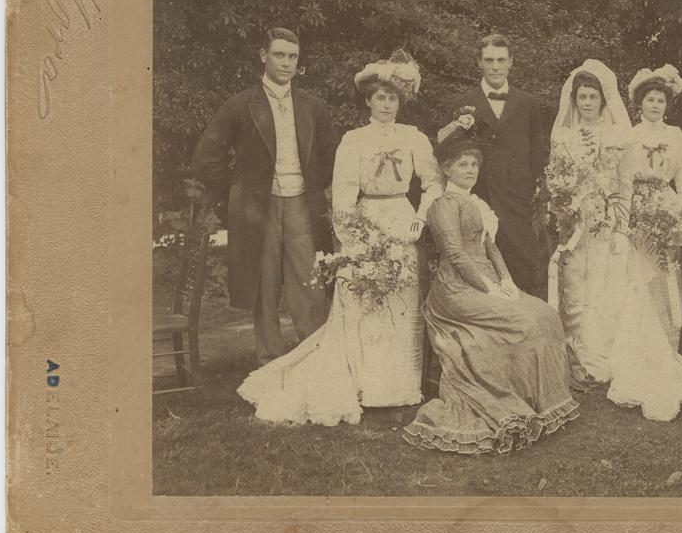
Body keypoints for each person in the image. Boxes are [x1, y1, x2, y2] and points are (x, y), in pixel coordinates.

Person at [236, 53, 441, 424]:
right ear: (368, 101)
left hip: (401, 219)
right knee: (364, 304)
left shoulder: (413, 138)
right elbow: (344, 196)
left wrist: (421, 219)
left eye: (393, 98)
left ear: (401, 102)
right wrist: (354, 241)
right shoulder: (353, 140)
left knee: (402, 301)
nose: (386, 105)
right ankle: (365, 384)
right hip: (366, 220)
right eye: (380, 98)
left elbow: (434, 182)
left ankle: (401, 386)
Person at [402, 124, 579, 454]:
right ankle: (506, 399)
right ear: (446, 169)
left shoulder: (478, 204)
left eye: (473, 165)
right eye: (462, 165)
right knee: (521, 322)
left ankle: (537, 400)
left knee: (544, 314)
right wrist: (488, 289)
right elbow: (454, 254)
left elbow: (491, 248)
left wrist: (507, 282)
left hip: (487, 282)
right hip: (454, 290)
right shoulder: (441, 204)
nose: (469, 171)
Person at [191, 28, 338, 366]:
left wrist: (317, 188)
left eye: (292, 57)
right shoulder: (241, 104)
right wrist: (240, 189)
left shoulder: (312, 106)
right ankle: (270, 360)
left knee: (311, 281)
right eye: (279, 55)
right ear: (263, 56)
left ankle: (314, 359)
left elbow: (332, 155)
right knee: (265, 284)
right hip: (259, 209)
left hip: (302, 204)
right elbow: (205, 160)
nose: (286, 63)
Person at [606, 65, 682, 421]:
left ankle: (670, 346)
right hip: (638, 215)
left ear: (666, 104)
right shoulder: (629, 135)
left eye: (660, 100)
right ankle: (642, 349)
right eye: (649, 100)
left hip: (667, 210)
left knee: (670, 280)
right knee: (642, 282)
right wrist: (623, 223)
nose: (655, 105)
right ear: (639, 104)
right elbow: (624, 182)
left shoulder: (675, 135)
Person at [445, 33, 549, 299]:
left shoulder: (528, 104)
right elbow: (453, 153)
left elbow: (537, 154)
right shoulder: (461, 104)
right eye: (489, 60)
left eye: (501, 60)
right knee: (482, 273)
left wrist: (533, 196)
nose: (495, 66)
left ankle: (534, 331)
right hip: (479, 200)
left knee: (527, 268)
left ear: (511, 62)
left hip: (519, 203)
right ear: (479, 62)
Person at [548, 60, 631, 382]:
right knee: (573, 288)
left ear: (603, 100)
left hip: (605, 223)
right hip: (573, 226)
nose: (586, 103)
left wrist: (622, 226)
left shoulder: (617, 136)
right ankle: (573, 357)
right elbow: (554, 179)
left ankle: (599, 358)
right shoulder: (563, 137)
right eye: (581, 97)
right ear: (574, 100)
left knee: (602, 289)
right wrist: (561, 210)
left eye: (592, 97)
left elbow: (624, 184)